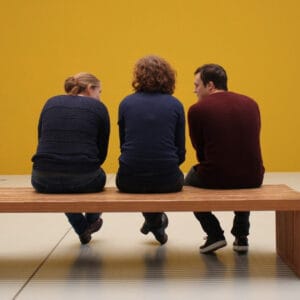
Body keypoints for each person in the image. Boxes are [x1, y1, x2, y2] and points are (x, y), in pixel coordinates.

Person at [184, 64, 264, 254]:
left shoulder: (197, 110)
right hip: (254, 177)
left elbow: (200, 149)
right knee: (241, 173)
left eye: (197, 85)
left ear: (210, 86)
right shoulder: (251, 103)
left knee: (187, 184)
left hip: (216, 176)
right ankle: (241, 235)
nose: (194, 90)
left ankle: (214, 234)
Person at [31, 72, 110, 245]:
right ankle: (90, 221)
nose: (99, 97)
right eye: (99, 92)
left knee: (62, 186)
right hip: (85, 179)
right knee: (95, 177)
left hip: (41, 179)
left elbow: (41, 138)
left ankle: (81, 227)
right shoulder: (99, 108)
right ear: (90, 89)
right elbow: (101, 153)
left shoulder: (50, 103)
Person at [116, 55, 186, 245]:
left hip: (128, 180)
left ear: (138, 76)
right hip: (169, 180)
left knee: (142, 175)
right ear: (169, 77)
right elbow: (181, 151)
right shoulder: (175, 105)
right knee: (155, 177)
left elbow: (124, 145)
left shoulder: (126, 103)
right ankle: (155, 222)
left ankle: (154, 222)